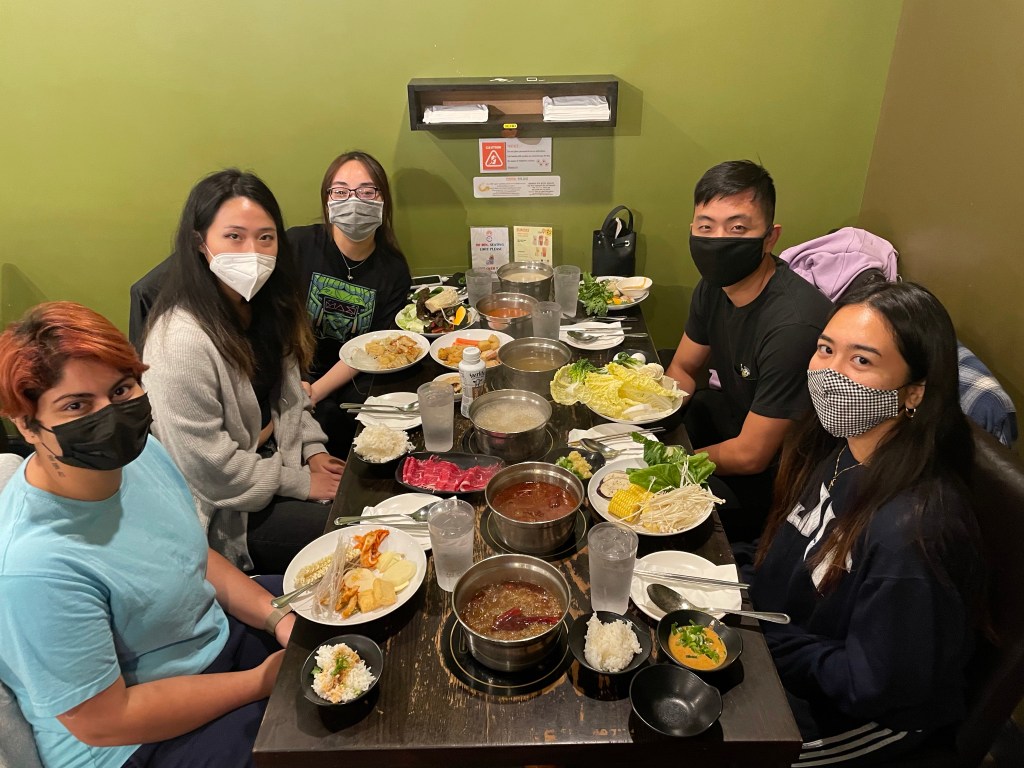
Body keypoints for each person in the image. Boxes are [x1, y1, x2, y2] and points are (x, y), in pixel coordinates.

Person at [0, 301, 292, 768]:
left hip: (210, 643)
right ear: (26, 425)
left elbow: (192, 557)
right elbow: (103, 721)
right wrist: (260, 682)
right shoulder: (35, 567)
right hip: (132, 742)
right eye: (76, 405)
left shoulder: (139, 457)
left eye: (121, 389)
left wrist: (274, 615)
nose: (110, 415)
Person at [750, 282, 984, 766]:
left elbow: (876, 684)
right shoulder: (842, 449)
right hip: (789, 655)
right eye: (825, 349)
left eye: (861, 360)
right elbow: (785, 554)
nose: (829, 374)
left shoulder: (913, 530)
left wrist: (763, 638)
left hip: (864, 723)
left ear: (915, 392)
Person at [143, 169, 344, 574]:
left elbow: (290, 395)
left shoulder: (267, 304)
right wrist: (300, 483)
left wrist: (313, 450)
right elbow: (209, 470)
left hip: (277, 464)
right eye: (234, 236)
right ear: (200, 243)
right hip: (225, 511)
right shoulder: (179, 341)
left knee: (366, 494)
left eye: (265, 237)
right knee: (351, 533)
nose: (252, 252)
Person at [665, 160, 832, 541]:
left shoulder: (793, 327)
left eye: (737, 228)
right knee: (695, 408)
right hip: (741, 424)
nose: (718, 240)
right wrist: (647, 415)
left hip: (782, 479)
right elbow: (683, 369)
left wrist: (669, 463)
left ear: (770, 238)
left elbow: (752, 455)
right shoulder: (714, 286)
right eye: (706, 227)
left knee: (662, 509)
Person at [289, 151, 412, 452]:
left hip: (351, 378)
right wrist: (296, 385)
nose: (354, 201)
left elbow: (372, 347)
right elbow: (274, 322)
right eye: (341, 191)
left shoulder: (393, 269)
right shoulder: (298, 245)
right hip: (292, 371)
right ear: (327, 199)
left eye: (367, 191)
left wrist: (315, 392)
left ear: (383, 200)